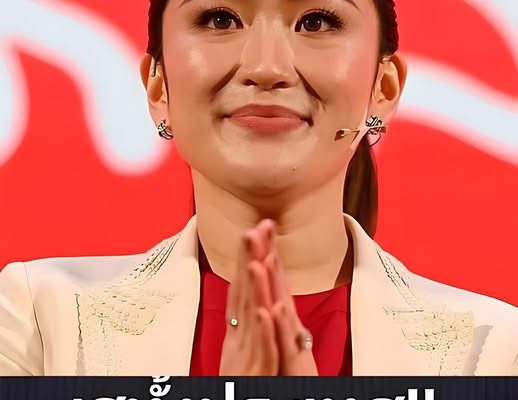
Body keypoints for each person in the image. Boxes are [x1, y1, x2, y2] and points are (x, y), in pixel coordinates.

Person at [0, 0, 517, 376]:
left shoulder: (494, 351)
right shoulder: (40, 318)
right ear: (158, 86)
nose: (266, 68)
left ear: (383, 88)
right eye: (220, 19)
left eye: (316, 21)